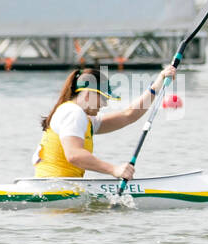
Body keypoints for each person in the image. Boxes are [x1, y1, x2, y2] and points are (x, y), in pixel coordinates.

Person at [32, 65, 176, 179]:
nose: (105, 104)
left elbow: (128, 115)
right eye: (104, 98)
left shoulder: (83, 118)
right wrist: (114, 169)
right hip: (54, 189)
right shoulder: (73, 113)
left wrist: (156, 85)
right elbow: (74, 155)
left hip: (59, 186)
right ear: (88, 94)